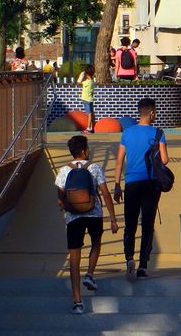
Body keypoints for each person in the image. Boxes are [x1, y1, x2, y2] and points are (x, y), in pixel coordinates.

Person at [55, 134, 119, 314]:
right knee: (96, 242)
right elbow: (105, 194)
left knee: (74, 259)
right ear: (84, 151)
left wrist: (66, 205)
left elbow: (60, 198)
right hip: (94, 214)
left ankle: (77, 302)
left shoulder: (64, 170)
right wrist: (113, 219)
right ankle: (90, 274)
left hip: (73, 217)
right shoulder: (95, 168)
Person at [113, 97, 168, 278]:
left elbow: (119, 161)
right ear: (151, 113)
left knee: (130, 223)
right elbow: (165, 160)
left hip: (131, 184)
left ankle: (129, 257)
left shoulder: (127, 133)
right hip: (151, 184)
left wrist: (117, 186)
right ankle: (143, 265)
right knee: (147, 223)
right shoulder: (159, 133)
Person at [77, 65, 96, 133]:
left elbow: (79, 82)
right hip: (89, 99)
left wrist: (82, 74)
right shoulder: (92, 81)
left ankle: (88, 128)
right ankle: (92, 127)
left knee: (89, 114)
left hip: (86, 99)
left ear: (86, 73)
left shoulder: (88, 82)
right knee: (92, 113)